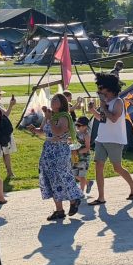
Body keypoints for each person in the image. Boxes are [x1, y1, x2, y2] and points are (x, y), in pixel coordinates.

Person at [26, 93, 82, 221]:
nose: (52, 101)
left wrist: (50, 119)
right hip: (48, 150)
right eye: (52, 99)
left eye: (56, 99)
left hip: (60, 150)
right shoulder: (50, 115)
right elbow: (43, 131)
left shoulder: (64, 117)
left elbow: (58, 131)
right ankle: (59, 210)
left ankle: (74, 199)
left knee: (63, 176)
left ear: (62, 103)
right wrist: (34, 130)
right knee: (51, 179)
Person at [89, 73, 133, 203]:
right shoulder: (105, 102)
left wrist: (103, 108)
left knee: (117, 168)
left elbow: (113, 118)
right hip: (101, 138)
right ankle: (101, 197)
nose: (99, 91)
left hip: (115, 140)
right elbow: (102, 119)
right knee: (98, 166)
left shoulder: (118, 102)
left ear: (110, 88)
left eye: (101, 88)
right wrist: (93, 111)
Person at [72, 115, 93, 192]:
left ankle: (81, 192)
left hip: (84, 157)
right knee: (73, 173)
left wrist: (78, 152)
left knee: (81, 175)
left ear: (85, 126)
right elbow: (73, 141)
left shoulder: (86, 135)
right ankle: (88, 183)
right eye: (76, 125)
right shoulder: (77, 133)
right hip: (75, 155)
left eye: (79, 125)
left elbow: (87, 148)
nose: (77, 127)